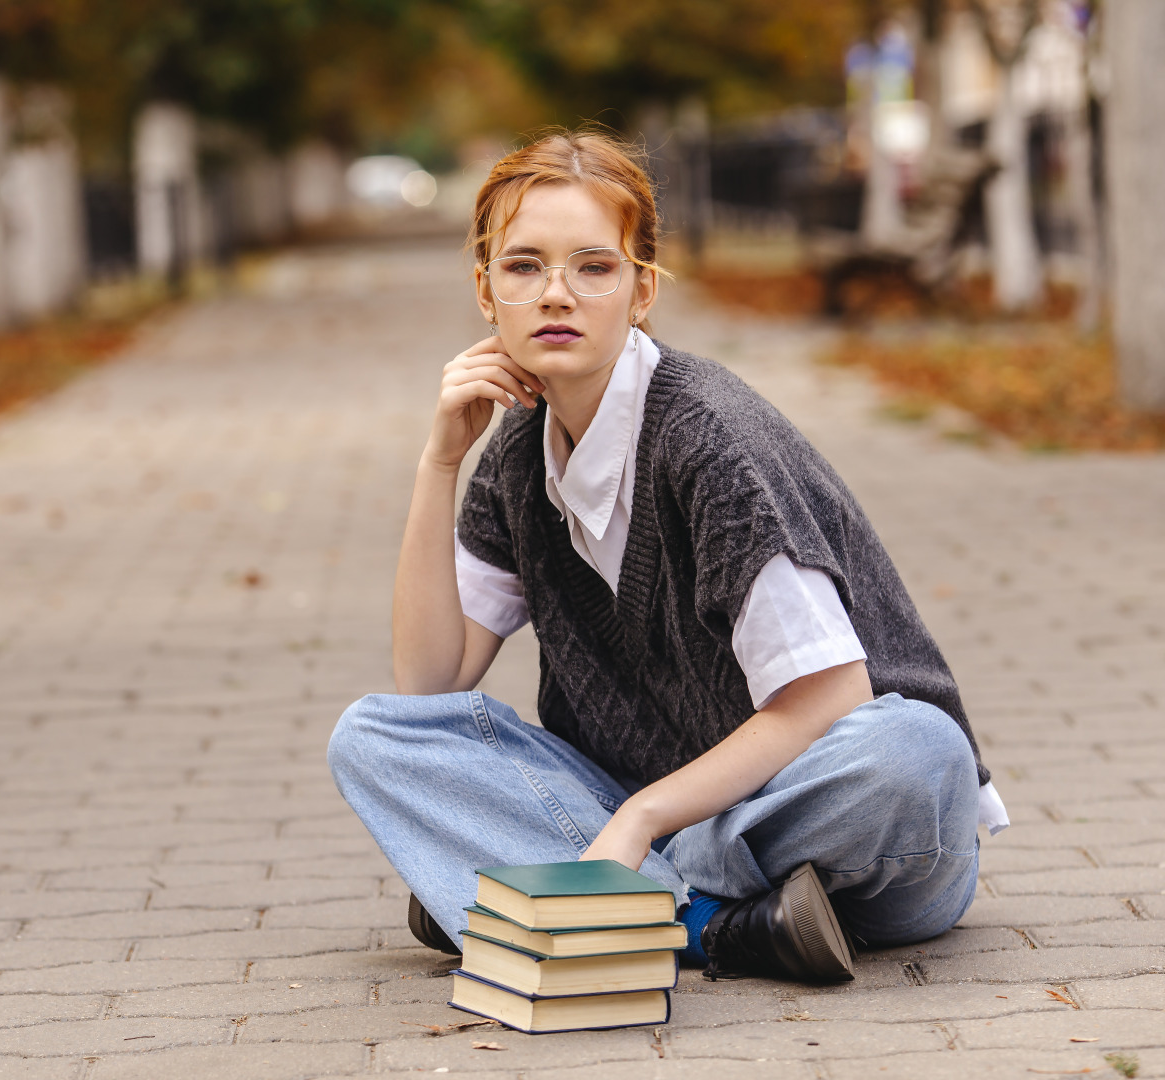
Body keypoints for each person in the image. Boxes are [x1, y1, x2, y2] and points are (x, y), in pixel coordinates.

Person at [327, 130, 1008, 983]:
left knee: (915, 748)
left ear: (640, 290)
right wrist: (439, 464)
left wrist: (640, 821)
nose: (556, 294)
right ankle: (715, 927)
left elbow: (828, 702)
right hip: (669, 811)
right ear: (485, 289)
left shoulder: (709, 442)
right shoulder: (512, 456)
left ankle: (548, 892)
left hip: (857, 831)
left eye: (593, 267)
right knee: (373, 737)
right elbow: (429, 684)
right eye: (523, 267)